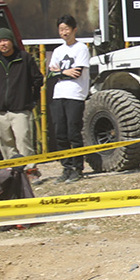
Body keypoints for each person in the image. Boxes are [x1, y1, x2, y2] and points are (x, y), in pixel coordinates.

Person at [0, 27, 42, 162]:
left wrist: (33, 99)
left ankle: (29, 169)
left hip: (20, 110)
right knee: (4, 143)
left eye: (5, 40)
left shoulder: (24, 57)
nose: (3, 44)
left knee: (23, 141)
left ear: (12, 41)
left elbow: (38, 80)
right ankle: (12, 169)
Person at [47, 14, 92, 182]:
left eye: (66, 29)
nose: (64, 33)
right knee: (60, 132)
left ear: (74, 29)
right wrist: (64, 72)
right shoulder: (58, 51)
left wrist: (60, 72)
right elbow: (50, 74)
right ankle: (66, 167)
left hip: (75, 94)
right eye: (61, 30)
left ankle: (78, 168)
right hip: (58, 94)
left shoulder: (81, 48)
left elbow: (77, 73)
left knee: (73, 131)